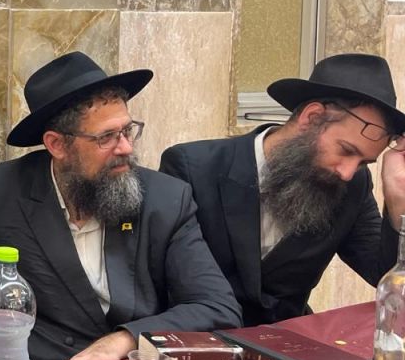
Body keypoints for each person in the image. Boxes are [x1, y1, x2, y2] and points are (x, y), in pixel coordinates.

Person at [0, 51, 241, 360]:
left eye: (128, 130)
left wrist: (127, 338)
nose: (125, 147)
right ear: (57, 145)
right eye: (106, 137)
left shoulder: (165, 198)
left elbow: (217, 307)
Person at [160, 53, 405, 326]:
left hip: (289, 343)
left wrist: (398, 198)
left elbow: (384, 275)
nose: (347, 172)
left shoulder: (352, 186)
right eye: (346, 151)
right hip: (200, 339)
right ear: (311, 118)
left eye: (363, 163)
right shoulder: (192, 168)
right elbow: (167, 281)